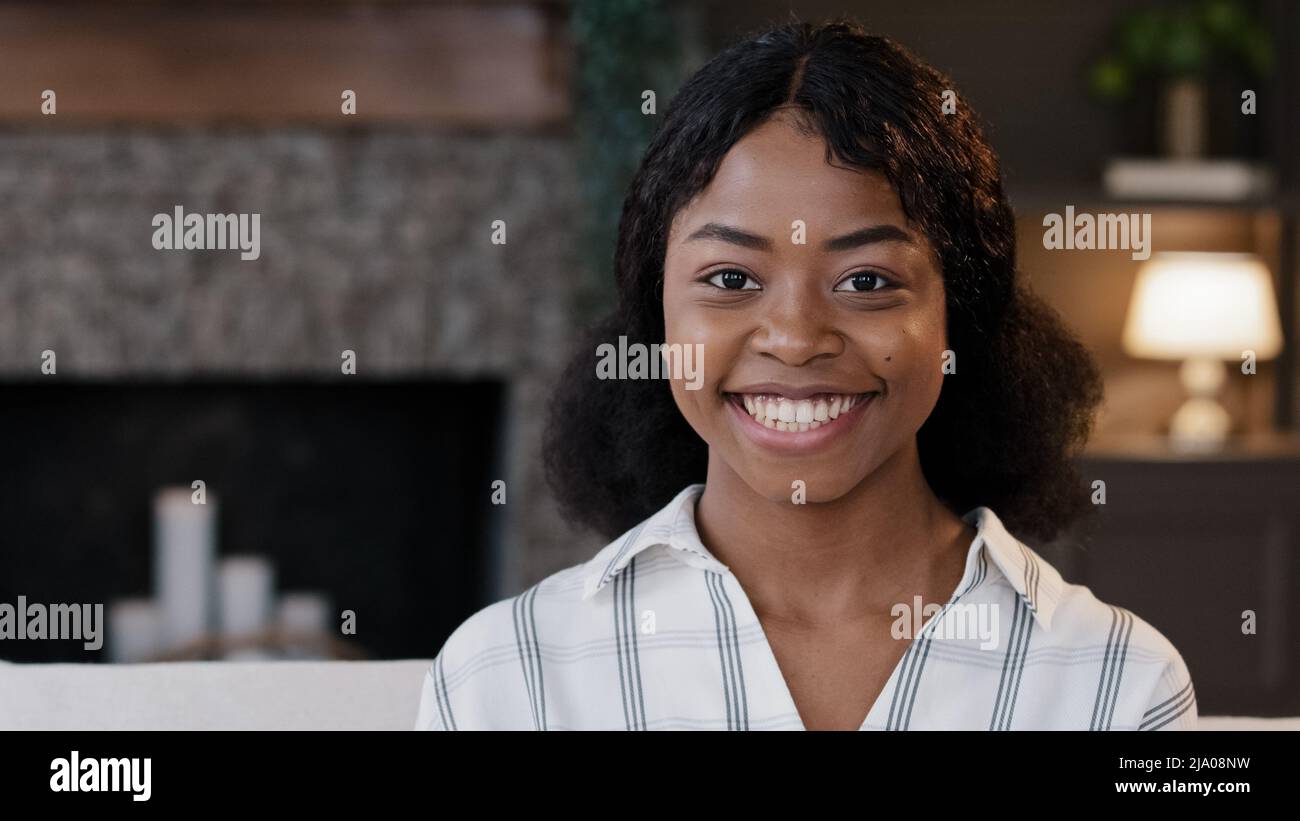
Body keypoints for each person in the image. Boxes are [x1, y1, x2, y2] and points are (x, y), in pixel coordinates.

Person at [415, 19, 1196, 731]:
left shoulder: (1118, 686)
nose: (793, 339)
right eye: (729, 279)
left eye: (865, 281)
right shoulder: (505, 677)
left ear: (963, 313)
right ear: (655, 315)